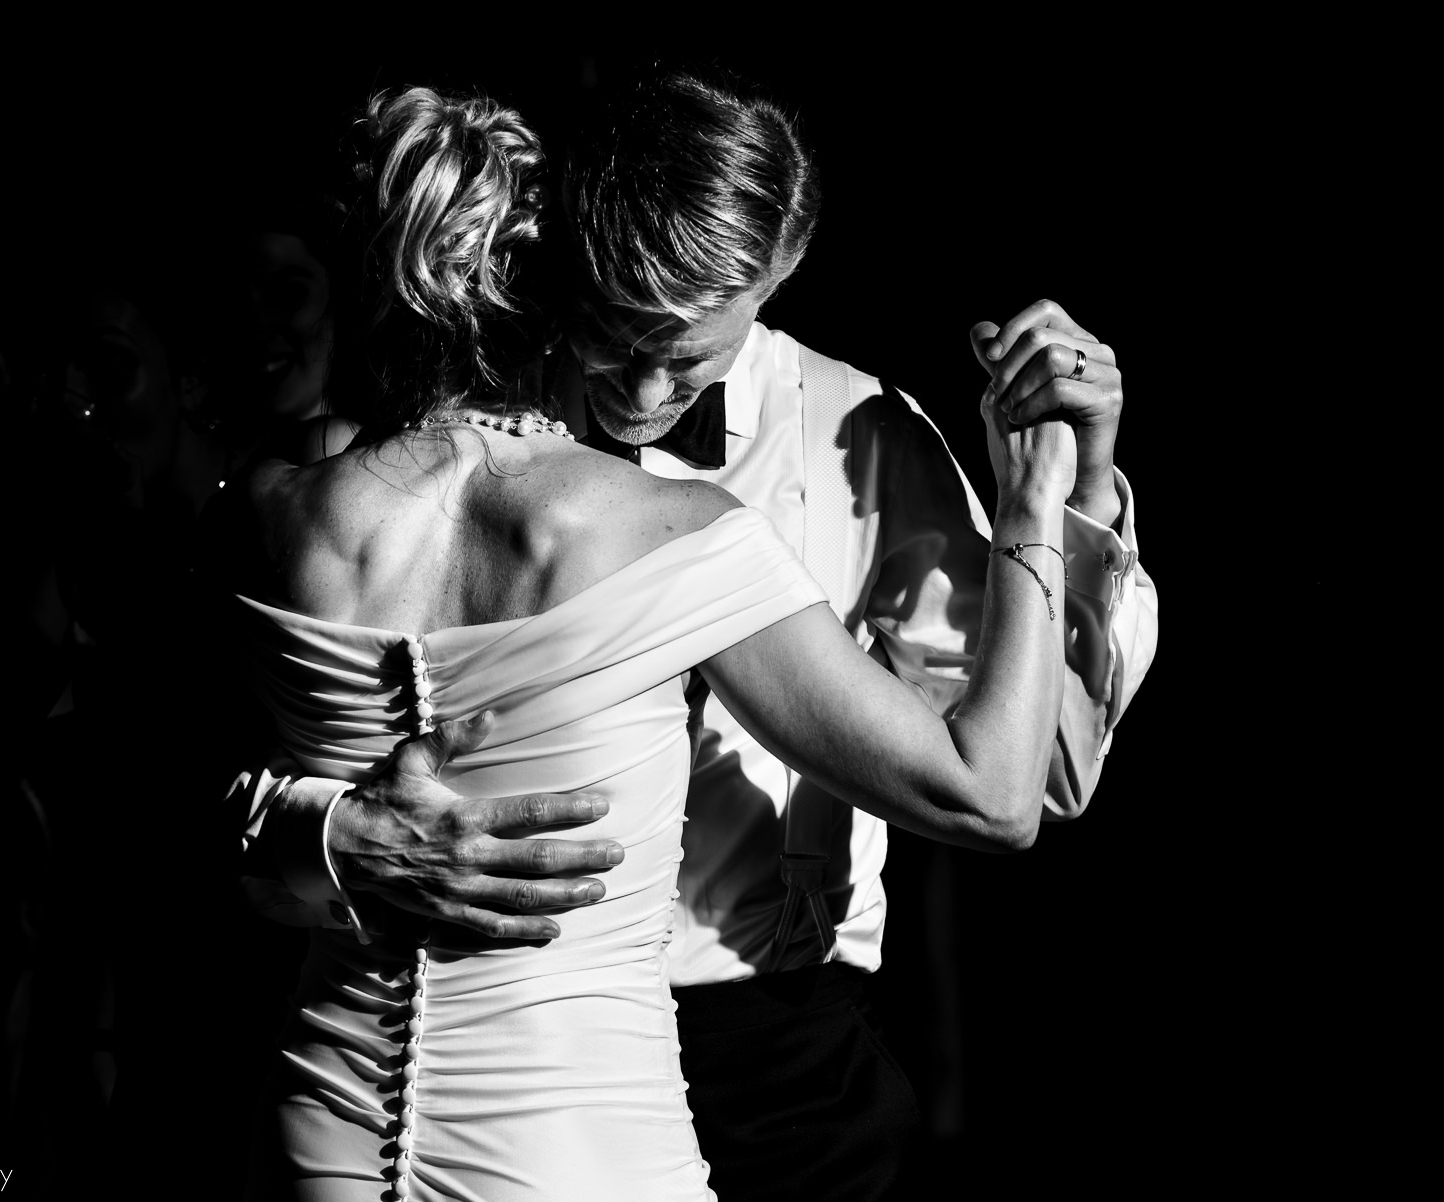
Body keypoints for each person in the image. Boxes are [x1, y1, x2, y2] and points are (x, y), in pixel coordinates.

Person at [232, 70, 1158, 1200]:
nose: (647, 391)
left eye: (695, 356)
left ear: (778, 276)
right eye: (620, 336)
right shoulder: (403, 445)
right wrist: (332, 835)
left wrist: (1076, 492)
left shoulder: (862, 440)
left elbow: (1040, 770)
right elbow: (200, 765)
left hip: (771, 1056)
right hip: (453, 1037)